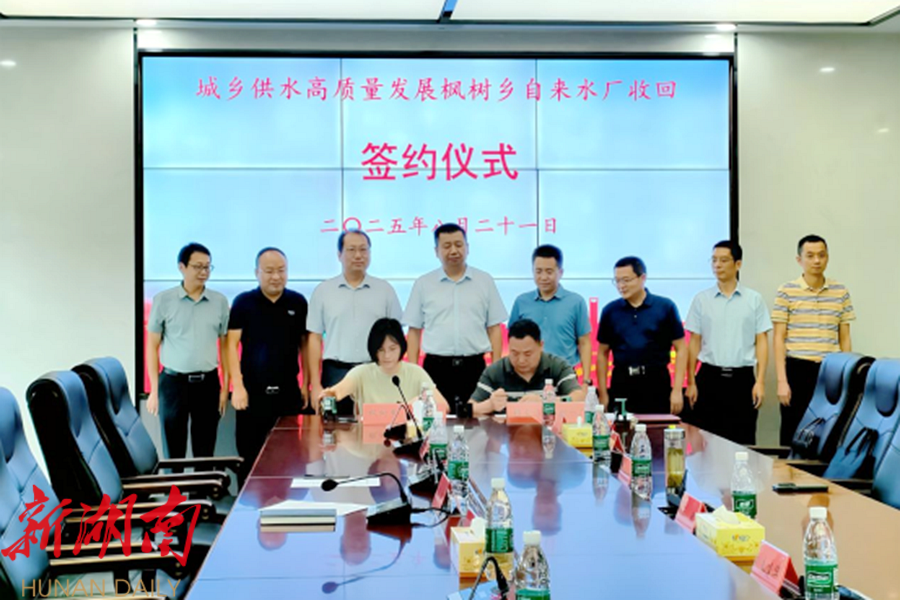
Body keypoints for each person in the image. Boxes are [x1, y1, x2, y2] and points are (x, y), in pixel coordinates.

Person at [404, 223, 507, 414]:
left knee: (477, 424)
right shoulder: (423, 284)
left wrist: (494, 370)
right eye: (447, 246)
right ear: (436, 251)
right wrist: (413, 373)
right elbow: (414, 331)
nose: (454, 250)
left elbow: (494, 328)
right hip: (436, 368)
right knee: (434, 422)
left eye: (459, 245)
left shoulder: (484, 281)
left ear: (467, 247)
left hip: (474, 368)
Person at [227, 247, 309, 485]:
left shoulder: (298, 302)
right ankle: (245, 506)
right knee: (249, 457)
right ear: (257, 273)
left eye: (281, 270)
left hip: (288, 393)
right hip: (252, 394)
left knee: (290, 457)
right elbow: (231, 345)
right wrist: (237, 386)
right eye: (269, 271)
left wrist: (306, 383)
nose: (276, 276)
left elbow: (305, 345)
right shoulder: (243, 303)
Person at [146, 242, 230, 464]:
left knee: (205, 453)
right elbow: (152, 346)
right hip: (173, 384)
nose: (204, 272)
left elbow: (225, 347)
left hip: (208, 384)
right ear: (181, 267)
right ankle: (175, 489)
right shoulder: (163, 300)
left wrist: (225, 388)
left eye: (208, 267)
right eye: (198, 266)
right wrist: (154, 390)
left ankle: (202, 489)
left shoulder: (219, 302)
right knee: (174, 454)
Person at [307, 230, 402, 415]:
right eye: (351, 250)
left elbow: (396, 337)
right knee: (334, 428)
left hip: (375, 370)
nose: (358, 255)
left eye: (363, 249)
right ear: (339, 255)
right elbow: (314, 338)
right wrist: (315, 385)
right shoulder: (323, 291)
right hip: (336, 372)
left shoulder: (385, 290)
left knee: (377, 428)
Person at [685, 241, 772, 444]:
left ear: (738, 264)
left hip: (742, 380)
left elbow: (761, 341)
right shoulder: (701, 299)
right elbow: (694, 342)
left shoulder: (754, 299)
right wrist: (691, 381)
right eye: (714, 260)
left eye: (724, 260)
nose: (717, 265)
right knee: (706, 444)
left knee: (742, 443)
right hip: (709, 378)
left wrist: (760, 382)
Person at [773, 235, 855, 445]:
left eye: (821, 255)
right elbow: (778, 338)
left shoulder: (840, 292)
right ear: (799, 260)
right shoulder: (786, 291)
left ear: (827, 257)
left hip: (830, 371)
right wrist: (782, 381)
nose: (816, 260)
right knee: (792, 432)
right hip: (797, 369)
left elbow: (845, 337)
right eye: (810, 256)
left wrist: (846, 376)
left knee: (828, 433)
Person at [595, 256, 687, 415]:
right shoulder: (610, 311)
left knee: (657, 428)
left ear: (642, 278)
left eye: (626, 280)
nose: (621, 286)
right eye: (617, 281)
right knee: (622, 428)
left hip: (656, 380)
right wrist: (603, 393)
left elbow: (681, 349)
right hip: (622, 381)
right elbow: (602, 353)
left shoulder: (665, 307)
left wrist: (677, 390)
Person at [320, 318, 450, 414]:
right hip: (368, 439)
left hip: (408, 438)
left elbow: (444, 407)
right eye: (381, 350)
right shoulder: (361, 373)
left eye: (392, 349)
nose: (387, 356)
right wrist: (328, 395)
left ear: (402, 346)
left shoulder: (416, 373)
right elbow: (337, 392)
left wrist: (421, 401)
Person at [508, 245, 593, 386]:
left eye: (549, 272)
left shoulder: (576, 302)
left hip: (564, 374)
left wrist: (586, 380)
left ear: (560, 272)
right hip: (527, 375)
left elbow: (584, 342)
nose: (543, 277)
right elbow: (512, 341)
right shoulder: (521, 302)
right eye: (538, 271)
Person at [469, 319, 584, 416]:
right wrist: (489, 405)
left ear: (541, 346)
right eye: (514, 353)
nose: (521, 360)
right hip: (506, 433)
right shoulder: (495, 371)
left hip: (547, 433)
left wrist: (546, 403)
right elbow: (468, 408)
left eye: (528, 354)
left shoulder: (557, 366)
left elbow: (579, 398)